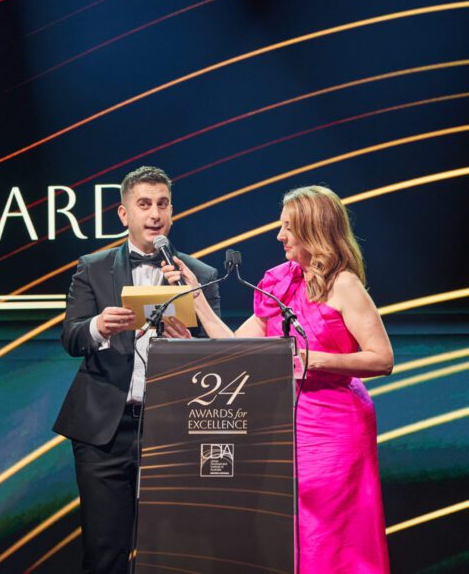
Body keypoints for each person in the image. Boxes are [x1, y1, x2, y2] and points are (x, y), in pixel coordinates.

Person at [165, 185, 392, 573]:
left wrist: (312, 360)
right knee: (295, 531)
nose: (279, 235)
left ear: (312, 229)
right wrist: (196, 301)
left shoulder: (344, 285)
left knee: (335, 534)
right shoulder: (279, 282)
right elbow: (237, 349)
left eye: (288, 227)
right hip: (288, 424)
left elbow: (382, 358)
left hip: (336, 426)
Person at [53, 166, 221, 574]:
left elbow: (220, 359)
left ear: (172, 212)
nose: (155, 214)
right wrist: (98, 326)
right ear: (124, 213)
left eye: (162, 204)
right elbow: (71, 337)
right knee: (104, 551)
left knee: (175, 550)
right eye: (144, 204)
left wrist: (189, 344)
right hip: (105, 430)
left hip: (173, 428)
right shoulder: (93, 267)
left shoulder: (199, 275)